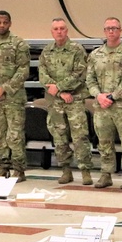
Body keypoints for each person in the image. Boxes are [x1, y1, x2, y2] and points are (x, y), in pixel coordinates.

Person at [87, 16, 122, 189]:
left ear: (120, 30)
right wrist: (98, 96)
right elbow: (90, 80)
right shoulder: (95, 55)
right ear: (104, 31)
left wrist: (112, 96)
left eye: (114, 28)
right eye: (108, 28)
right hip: (101, 106)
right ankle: (106, 173)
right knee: (103, 142)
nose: (111, 31)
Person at [38, 18, 94, 185]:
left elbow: (80, 73)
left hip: (74, 99)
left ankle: (85, 171)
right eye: (56, 29)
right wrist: (60, 92)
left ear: (67, 30)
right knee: (59, 137)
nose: (59, 31)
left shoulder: (77, 49)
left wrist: (60, 87)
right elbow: (43, 75)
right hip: (55, 102)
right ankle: (66, 170)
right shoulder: (46, 51)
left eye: (62, 28)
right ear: (52, 32)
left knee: (80, 137)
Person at [0, 10, 30, 182]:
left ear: (10, 23)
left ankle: (19, 170)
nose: (2, 25)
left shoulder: (19, 44)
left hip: (13, 98)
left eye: (5, 22)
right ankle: (3, 168)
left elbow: (24, 70)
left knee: (15, 135)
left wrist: (4, 88)